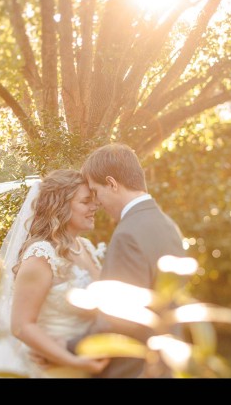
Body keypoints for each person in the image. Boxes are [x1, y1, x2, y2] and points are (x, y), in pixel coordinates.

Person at [0, 169, 109, 378]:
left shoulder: (86, 247)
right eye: (85, 202)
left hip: (88, 356)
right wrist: (75, 362)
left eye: (94, 200)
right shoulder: (41, 256)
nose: (94, 207)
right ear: (61, 207)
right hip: (52, 366)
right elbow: (22, 326)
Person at [66, 143, 187, 378]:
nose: (97, 202)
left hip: (132, 369)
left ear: (112, 183)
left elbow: (118, 318)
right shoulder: (168, 226)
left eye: (97, 191)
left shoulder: (128, 234)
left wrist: (68, 346)